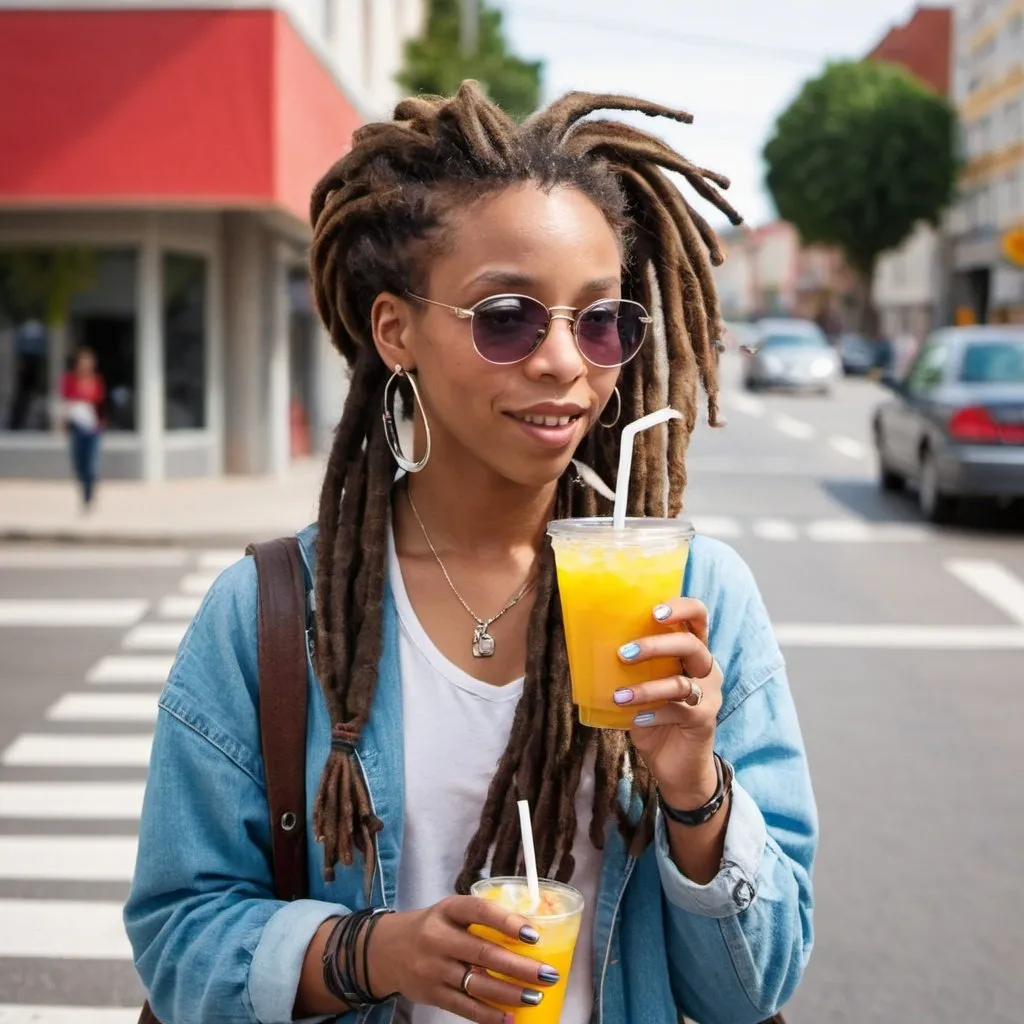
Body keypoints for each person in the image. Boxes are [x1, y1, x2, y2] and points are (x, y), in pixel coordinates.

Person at [125, 82, 817, 1024]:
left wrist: (695, 792)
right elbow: (178, 938)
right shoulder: (272, 615)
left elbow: (750, 992)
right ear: (395, 330)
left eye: (600, 319)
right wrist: (373, 953)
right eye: (507, 317)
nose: (565, 361)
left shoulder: (697, 599)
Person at [60, 346, 105, 509]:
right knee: (79, 463)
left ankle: (89, 493)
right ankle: (84, 490)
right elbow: (66, 402)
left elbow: (100, 403)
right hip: (77, 427)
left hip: (93, 428)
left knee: (91, 463)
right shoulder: (70, 380)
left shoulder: (96, 380)